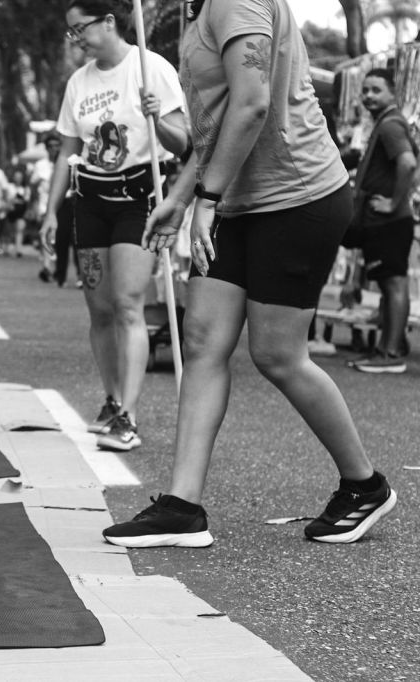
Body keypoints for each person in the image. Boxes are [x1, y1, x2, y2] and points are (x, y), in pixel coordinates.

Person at [104, 0, 397, 548]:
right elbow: (215, 126)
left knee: (277, 354)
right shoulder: (199, 14)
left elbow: (254, 103)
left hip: (297, 195)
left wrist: (206, 200)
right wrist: (182, 195)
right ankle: (182, 507)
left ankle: (365, 485)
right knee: (202, 340)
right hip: (235, 199)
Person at [40, 0, 188, 452]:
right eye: (70, 33)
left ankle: (129, 414)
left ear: (109, 22)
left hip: (138, 197)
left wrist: (157, 115)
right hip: (89, 199)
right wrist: (50, 212)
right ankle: (110, 400)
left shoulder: (151, 68)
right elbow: (67, 151)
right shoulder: (78, 83)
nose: (76, 39)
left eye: (80, 28)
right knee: (99, 309)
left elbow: (184, 145)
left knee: (127, 305)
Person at [340, 68, 417, 374]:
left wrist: (393, 202)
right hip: (384, 222)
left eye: (376, 90)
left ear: (393, 92)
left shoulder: (390, 125)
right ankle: (389, 348)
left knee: (394, 285)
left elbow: (409, 164)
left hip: (388, 221)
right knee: (390, 285)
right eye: (365, 90)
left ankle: (391, 354)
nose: (368, 96)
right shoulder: (386, 123)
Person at [32, 133, 67, 283]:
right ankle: (47, 267)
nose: (54, 149)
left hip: (64, 204)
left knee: (61, 239)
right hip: (44, 205)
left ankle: (59, 269)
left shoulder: (66, 162)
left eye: (56, 145)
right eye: (50, 146)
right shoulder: (40, 165)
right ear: (46, 148)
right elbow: (32, 186)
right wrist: (32, 206)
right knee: (46, 235)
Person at [4, 167, 30, 258]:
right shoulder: (9, 187)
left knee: (19, 230)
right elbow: (6, 199)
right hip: (10, 211)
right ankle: (7, 248)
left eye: (19, 177)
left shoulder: (25, 189)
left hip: (20, 212)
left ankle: (18, 249)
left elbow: (26, 201)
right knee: (9, 231)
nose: (17, 179)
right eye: (16, 177)